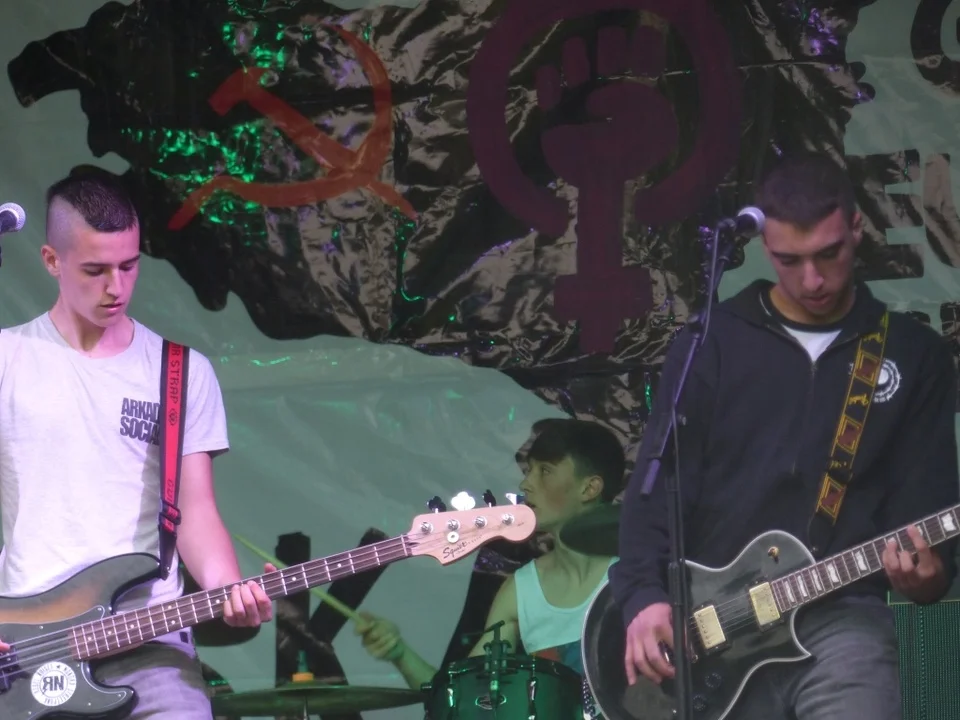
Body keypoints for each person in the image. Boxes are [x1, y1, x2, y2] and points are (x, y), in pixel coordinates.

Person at [610, 151, 960, 719]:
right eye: (788, 260)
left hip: (842, 613)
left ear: (857, 229)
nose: (812, 279)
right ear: (764, 246)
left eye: (829, 254)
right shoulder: (712, 341)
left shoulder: (912, 354)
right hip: (714, 624)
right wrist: (643, 597)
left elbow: (928, 505)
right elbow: (655, 481)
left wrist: (928, 573)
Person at [0, 167, 274, 718]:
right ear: (51, 261)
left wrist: (228, 588)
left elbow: (196, 511)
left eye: (128, 266)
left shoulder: (180, 372)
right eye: (95, 270)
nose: (116, 287)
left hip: (148, 638)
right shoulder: (8, 359)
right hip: (23, 649)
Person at [355, 418, 625, 692]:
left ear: (589, 488)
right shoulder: (522, 591)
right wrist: (400, 653)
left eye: (545, 471)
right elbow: (460, 697)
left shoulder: (636, 574)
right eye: (529, 470)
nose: (525, 483)